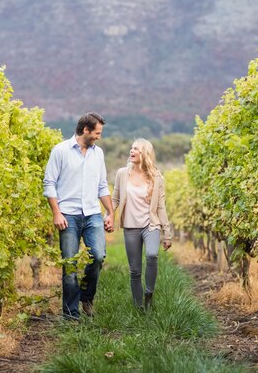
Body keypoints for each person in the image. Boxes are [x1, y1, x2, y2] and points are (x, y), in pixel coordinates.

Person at [43, 112, 114, 320]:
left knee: (98, 256)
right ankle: (71, 314)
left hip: (93, 214)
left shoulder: (98, 154)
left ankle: (86, 297)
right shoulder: (61, 151)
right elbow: (49, 184)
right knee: (70, 265)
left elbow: (102, 185)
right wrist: (57, 213)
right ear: (85, 130)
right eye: (97, 133)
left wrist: (110, 212)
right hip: (69, 216)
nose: (99, 137)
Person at [111, 138, 172, 310]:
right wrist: (109, 215)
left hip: (150, 224)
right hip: (130, 226)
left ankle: (149, 295)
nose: (132, 151)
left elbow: (161, 207)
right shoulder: (122, 174)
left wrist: (167, 233)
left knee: (152, 255)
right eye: (131, 148)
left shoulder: (156, 177)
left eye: (136, 148)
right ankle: (139, 308)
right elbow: (115, 199)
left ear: (144, 153)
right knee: (135, 270)